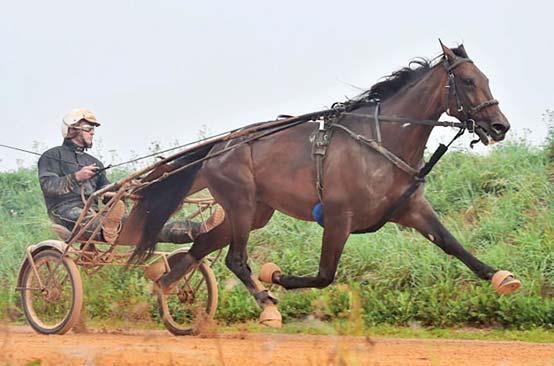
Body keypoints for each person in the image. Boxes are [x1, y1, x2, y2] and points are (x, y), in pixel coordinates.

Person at [38, 108, 220, 244]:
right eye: (88, 127)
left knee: (150, 225)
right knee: (94, 222)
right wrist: (77, 176)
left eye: (93, 128)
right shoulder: (52, 156)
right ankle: (108, 227)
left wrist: (123, 190)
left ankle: (200, 229)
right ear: (71, 130)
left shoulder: (94, 161)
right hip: (64, 210)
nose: (92, 131)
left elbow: (104, 191)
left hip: (96, 212)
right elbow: (48, 185)